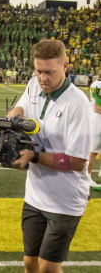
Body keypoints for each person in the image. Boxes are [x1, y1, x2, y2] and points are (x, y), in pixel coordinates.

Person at [7, 39, 93, 273]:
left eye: (50, 72)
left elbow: (77, 162)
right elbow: (23, 105)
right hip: (35, 195)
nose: (43, 78)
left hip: (65, 201)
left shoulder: (78, 105)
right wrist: (13, 115)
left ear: (66, 66)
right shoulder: (34, 83)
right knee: (30, 263)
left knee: (47, 268)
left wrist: (34, 157)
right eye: (38, 71)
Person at [88, 68, 101, 190]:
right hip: (98, 120)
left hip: (96, 118)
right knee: (93, 151)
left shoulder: (94, 84)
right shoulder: (97, 86)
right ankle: (87, 177)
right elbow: (97, 107)